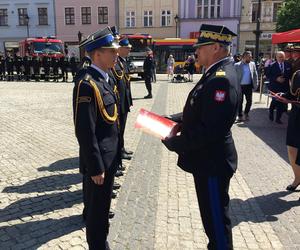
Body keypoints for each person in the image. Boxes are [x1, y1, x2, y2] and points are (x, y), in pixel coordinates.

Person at [162, 24, 240, 250]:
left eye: (201, 47)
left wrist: (177, 143)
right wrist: (173, 119)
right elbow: (201, 110)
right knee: (212, 220)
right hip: (208, 160)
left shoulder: (221, 78)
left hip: (212, 163)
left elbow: (211, 128)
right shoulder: (216, 72)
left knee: (216, 221)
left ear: (216, 47)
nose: (196, 51)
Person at [73, 27, 121, 250]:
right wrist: (95, 167)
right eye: (111, 51)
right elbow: (85, 130)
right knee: (96, 214)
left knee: (102, 211)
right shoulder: (87, 84)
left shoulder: (105, 79)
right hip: (99, 163)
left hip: (109, 159)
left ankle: (102, 244)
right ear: (98, 54)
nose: (116, 54)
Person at [111, 37, 133, 161]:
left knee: (122, 129)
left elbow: (126, 83)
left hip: (124, 102)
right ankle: (118, 154)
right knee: (118, 130)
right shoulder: (115, 62)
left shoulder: (123, 61)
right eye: (127, 48)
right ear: (120, 49)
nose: (129, 50)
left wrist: (128, 101)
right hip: (118, 103)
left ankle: (121, 149)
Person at [283, 70, 300, 191]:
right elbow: (291, 94)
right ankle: (298, 178)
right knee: (292, 147)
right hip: (297, 116)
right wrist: (281, 96)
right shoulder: (298, 74)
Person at [267, 51, 292, 124]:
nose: (281, 58)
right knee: (275, 101)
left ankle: (278, 118)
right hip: (275, 87)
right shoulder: (271, 65)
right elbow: (268, 75)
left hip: (284, 87)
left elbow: (290, 75)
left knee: (281, 103)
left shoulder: (288, 65)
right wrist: (276, 78)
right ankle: (271, 111)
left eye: (282, 57)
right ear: (276, 57)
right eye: (280, 57)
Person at [234, 51, 258, 121]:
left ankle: (246, 113)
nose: (251, 58)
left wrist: (256, 84)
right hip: (240, 86)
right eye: (249, 57)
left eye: (251, 57)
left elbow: (255, 74)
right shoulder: (237, 65)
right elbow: (234, 76)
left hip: (249, 86)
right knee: (240, 101)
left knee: (249, 101)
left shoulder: (252, 64)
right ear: (244, 57)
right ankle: (240, 115)